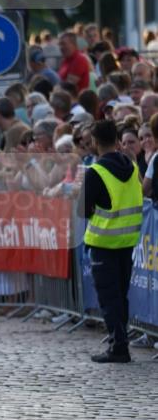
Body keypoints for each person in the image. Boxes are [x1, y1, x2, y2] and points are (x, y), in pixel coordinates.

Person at [81, 118, 143, 363]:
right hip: (128, 241)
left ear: (95, 142)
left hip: (103, 242)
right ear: (117, 140)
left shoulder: (95, 172)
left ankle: (119, 347)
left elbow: (83, 210)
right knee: (121, 295)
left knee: (109, 298)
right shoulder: (132, 165)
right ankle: (121, 342)